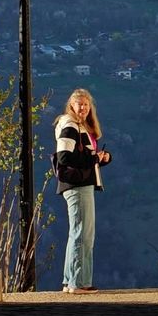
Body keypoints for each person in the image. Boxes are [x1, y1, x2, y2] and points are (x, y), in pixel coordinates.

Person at [54, 88, 111, 294]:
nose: (84, 108)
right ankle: (78, 283)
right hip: (77, 186)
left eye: (86, 104)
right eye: (80, 104)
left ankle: (70, 281)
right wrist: (93, 158)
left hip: (80, 184)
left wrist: (101, 158)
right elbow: (64, 158)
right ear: (71, 105)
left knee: (77, 233)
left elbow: (82, 158)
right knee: (83, 235)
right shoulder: (70, 126)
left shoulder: (79, 127)